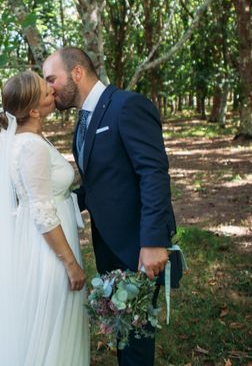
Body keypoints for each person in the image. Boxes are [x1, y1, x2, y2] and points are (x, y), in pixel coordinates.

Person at [43, 48, 180, 366]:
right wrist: (48, 207)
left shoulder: (127, 106)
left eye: (52, 79)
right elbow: (97, 185)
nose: (48, 88)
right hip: (109, 247)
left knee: (136, 335)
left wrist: (153, 242)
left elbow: (153, 173)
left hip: (138, 245)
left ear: (77, 73)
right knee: (126, 328)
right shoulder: (83, 121)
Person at [0, 71, 90, 366]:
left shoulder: (32, 139)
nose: (53, 92)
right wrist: (70, 263)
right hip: (50, 250)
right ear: (32, 110)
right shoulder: (30, 146)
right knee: (53, 324)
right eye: (46, 92)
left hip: (51, 239)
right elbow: (42, 212)